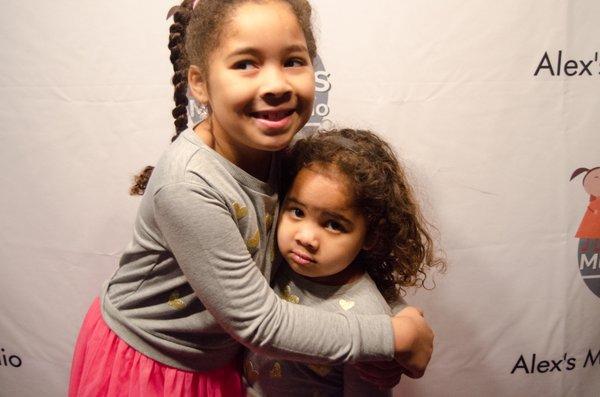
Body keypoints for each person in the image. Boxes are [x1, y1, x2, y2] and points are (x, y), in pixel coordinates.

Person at [69, 1, 434, 396]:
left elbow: (341, 255)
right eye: (246, 64)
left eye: (293, 61)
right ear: (199, 83)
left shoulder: (286, 155)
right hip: (153, 367)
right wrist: (390, 337)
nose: (276, 84)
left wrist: (395, 315)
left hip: (226, 359)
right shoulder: (188, 186)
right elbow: (260, 323)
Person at [244, 128, 445, 396]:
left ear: (370, 236)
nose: (306, 237)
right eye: (297, 211)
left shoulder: (371, 318)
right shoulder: (276, 258)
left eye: (334, 225)